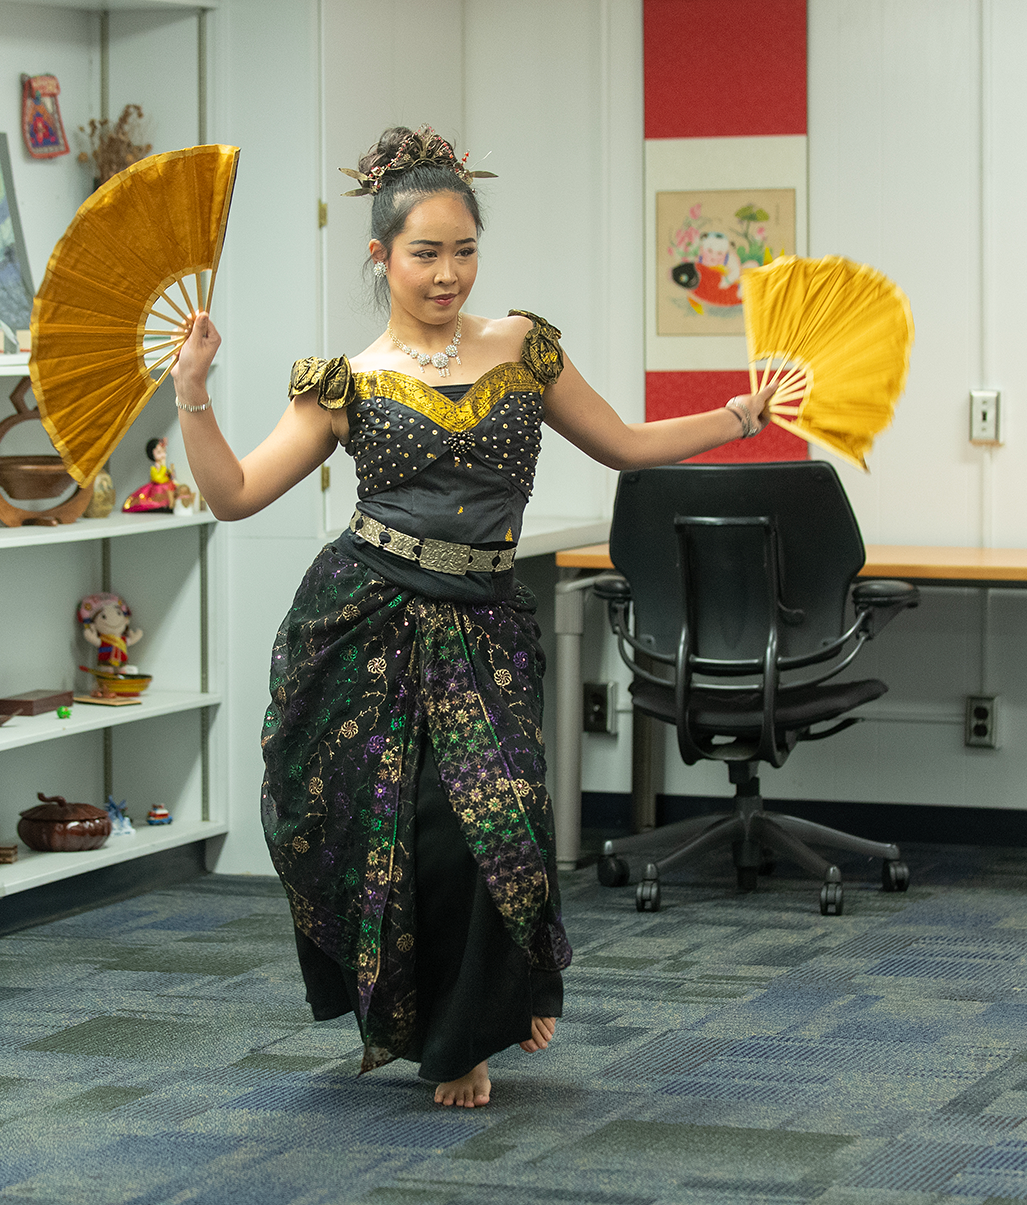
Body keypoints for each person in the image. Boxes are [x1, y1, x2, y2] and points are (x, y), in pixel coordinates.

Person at [170, 125, 775, 1109]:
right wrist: (193, 396)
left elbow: (623, 442)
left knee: (499, 820)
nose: (446, 272)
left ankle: (505, 990)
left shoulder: (524, 350)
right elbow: (235, 494)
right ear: (380, 256)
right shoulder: (346, 383)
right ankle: (456, 1039)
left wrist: (737, 416)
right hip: (365, 619)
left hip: (484, 619)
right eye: (423, 253)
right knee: (407, 833)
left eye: (463, 249)